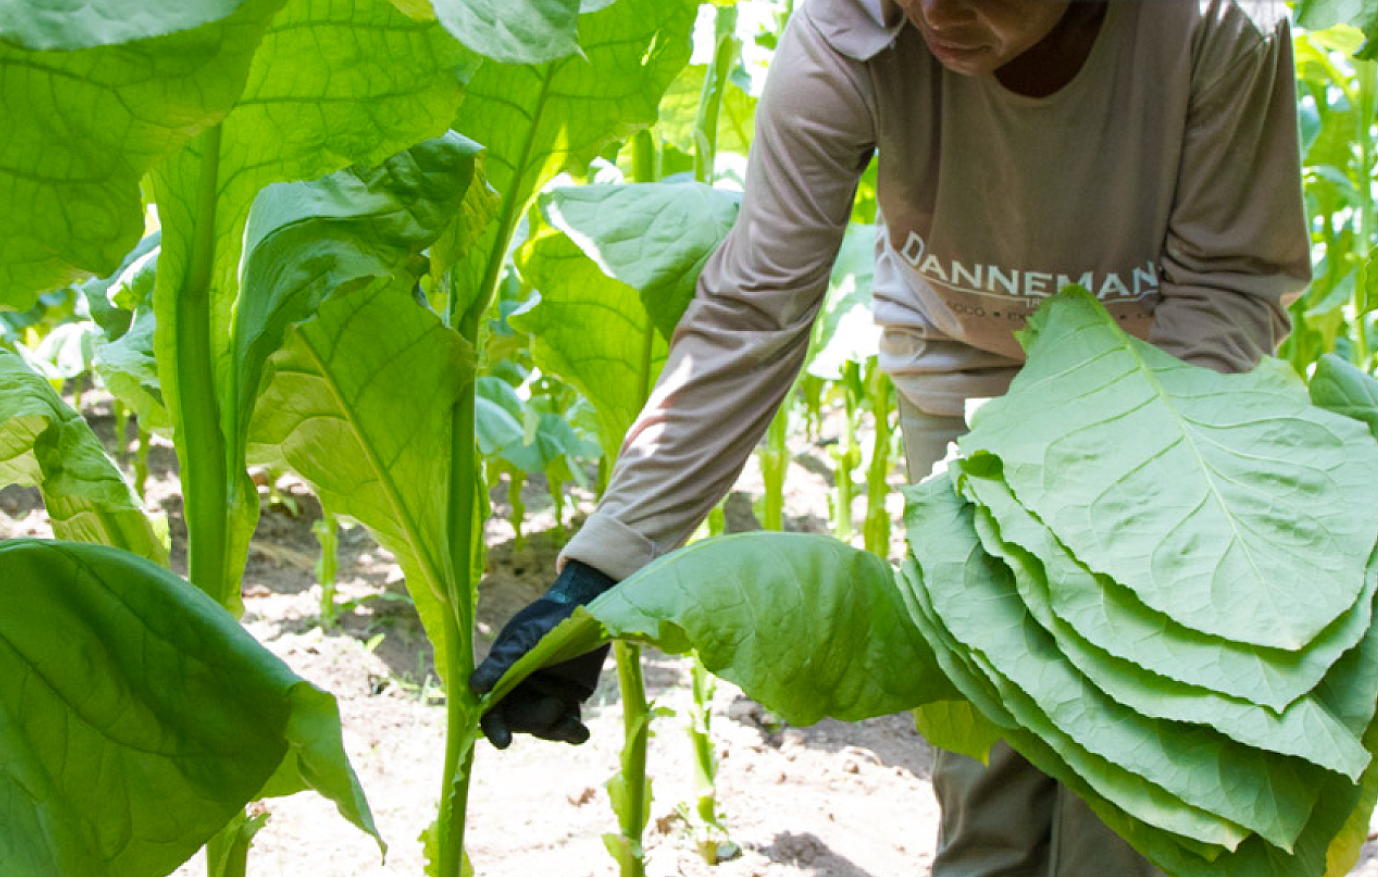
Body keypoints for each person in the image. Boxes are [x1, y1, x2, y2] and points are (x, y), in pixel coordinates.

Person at [470, 0, 1312, 874]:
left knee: (1134, 751)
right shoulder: (849, 27)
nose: (938, 11)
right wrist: (597, 575)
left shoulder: (1217, 25)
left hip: (1162, 376)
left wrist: (1111, 499)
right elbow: (753, 312)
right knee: (988, 727)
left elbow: (1228, 287)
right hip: (963, 361)